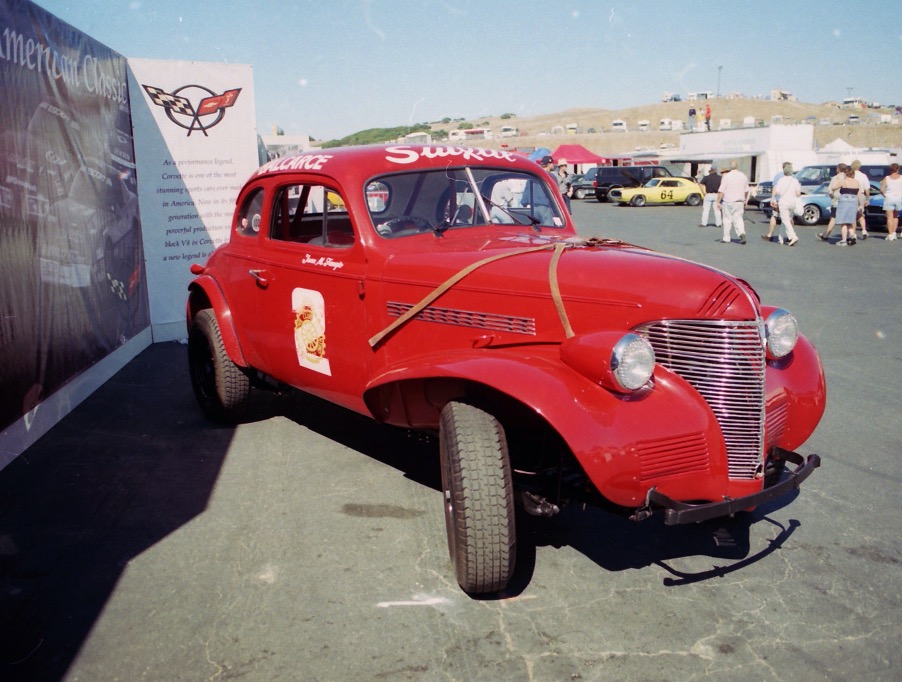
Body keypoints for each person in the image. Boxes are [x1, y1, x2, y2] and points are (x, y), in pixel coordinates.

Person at [716, 161, 749, 244]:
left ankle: (726, 238)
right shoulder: (743, 176)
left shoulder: (726, 177)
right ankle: (742, 233)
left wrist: (718, 201)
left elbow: (722, 191)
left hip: (728, 201)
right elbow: (746, 190)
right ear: (737, 166)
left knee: (727, 219)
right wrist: (745, 200)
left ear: (729, 168)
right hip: (739, 201)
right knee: (738, 219)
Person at [770, 162, 801, 246]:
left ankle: (793, 236)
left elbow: (778, 192)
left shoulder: (781, 180)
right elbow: (798, 193)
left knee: (785, 220)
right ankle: (781, 238)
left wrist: (773, 199)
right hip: (792, 202)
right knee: (787, 219)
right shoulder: (795, 180)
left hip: (784, 202)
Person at [817, 164, 849, 242]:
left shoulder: (835, 178)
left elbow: (830, 189)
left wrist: (832, 196)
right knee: (847, 219)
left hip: (837, 200)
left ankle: (825, 235)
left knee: (833, 218)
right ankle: (849, 235)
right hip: (848, 200)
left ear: (838, 169)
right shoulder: (848, 177)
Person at [834, 165, 861, 246]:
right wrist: (860, 204)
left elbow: (833, 187)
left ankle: (844, 240)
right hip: (854, 200)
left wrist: (839, 179)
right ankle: (852, 235)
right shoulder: (856, 182)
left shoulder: (843, 181)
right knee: (850, 220)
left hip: (844, 200)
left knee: (843, 221)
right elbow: (858, 193)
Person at [881, 162, 902, 241]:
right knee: (896, 216)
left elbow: (882, 190)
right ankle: (894, 232)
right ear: (897, 169)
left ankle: (890, 234)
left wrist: (885, 195)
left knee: (889, 217)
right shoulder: (901, 178)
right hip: (898, 197)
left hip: (889, 197)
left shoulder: (887, 178)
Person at [850, 160, 870, 240]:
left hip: (852, 195)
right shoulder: (863, 175)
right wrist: (867, 198)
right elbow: (867, 188)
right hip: (861, 195)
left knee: (853, 216)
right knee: (861, 214)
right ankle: (864, 230)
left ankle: (854, 233)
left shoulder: (851, 175)